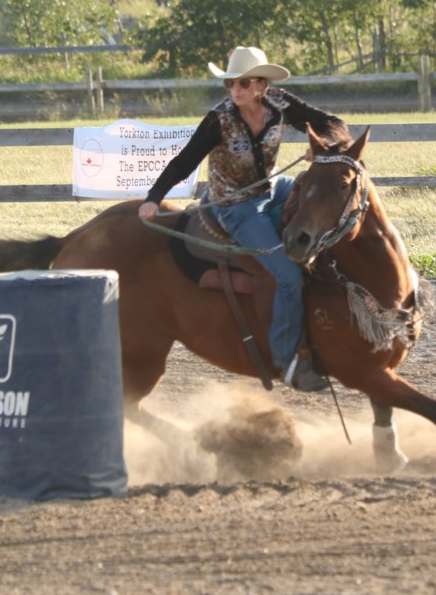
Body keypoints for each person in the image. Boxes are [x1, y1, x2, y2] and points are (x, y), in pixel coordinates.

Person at [138, 46, 350, 391]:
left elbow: (334, 125)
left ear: (261, 85)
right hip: (234, 205)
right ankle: (288, 360)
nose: (235, 90)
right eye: (230, 83)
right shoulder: (219, 119)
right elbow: (184, 161)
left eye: (243, 82)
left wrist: (323, 144)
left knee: (315, 204)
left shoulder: (281, 104)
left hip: (270, 188)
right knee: (286, 274)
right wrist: (153, 198)